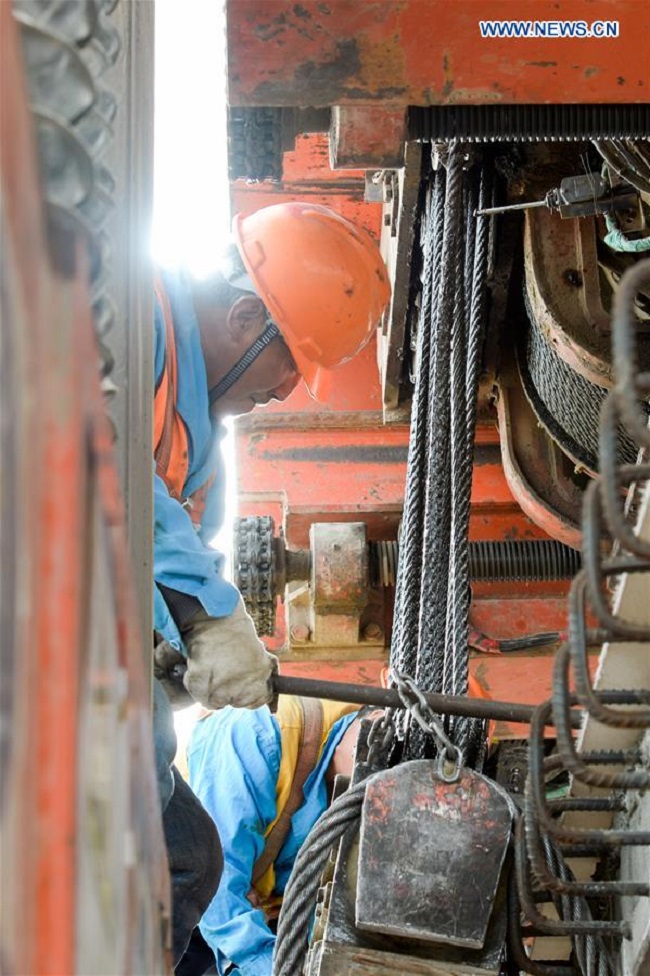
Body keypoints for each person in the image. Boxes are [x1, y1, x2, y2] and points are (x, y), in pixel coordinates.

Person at [150, 201, 391, 965]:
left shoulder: (200, 462)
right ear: (243, 311)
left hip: (93, 695)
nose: (286, 390)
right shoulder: (129, 313)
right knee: (180, 864)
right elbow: (95, 451)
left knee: (184, 866)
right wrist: (207, 620)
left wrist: (167, 646)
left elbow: (167, 555)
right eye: (290, 358)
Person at [181, 695, 369, 976]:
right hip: (177, 896)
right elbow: (217, 878)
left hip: (241, 918)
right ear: (377, 722)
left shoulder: (359, 809)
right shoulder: (259, 731)